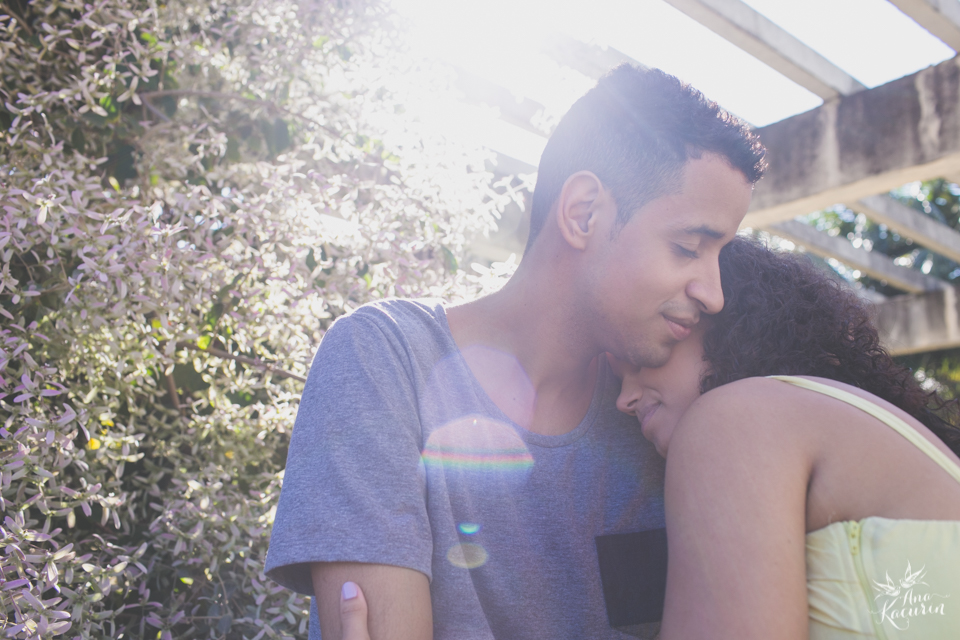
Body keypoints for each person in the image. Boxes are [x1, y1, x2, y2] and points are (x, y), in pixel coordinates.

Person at [264, 64, 766, 640]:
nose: (715, 293)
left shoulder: (660, 415)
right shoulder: (386, 358)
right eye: (687, 248)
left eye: (719, 259)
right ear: (583, 213)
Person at [611, 237, 960, 639]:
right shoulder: (836, 420)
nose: (624, 399)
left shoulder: (732, 419)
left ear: (724, 320)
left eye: (640, 359)